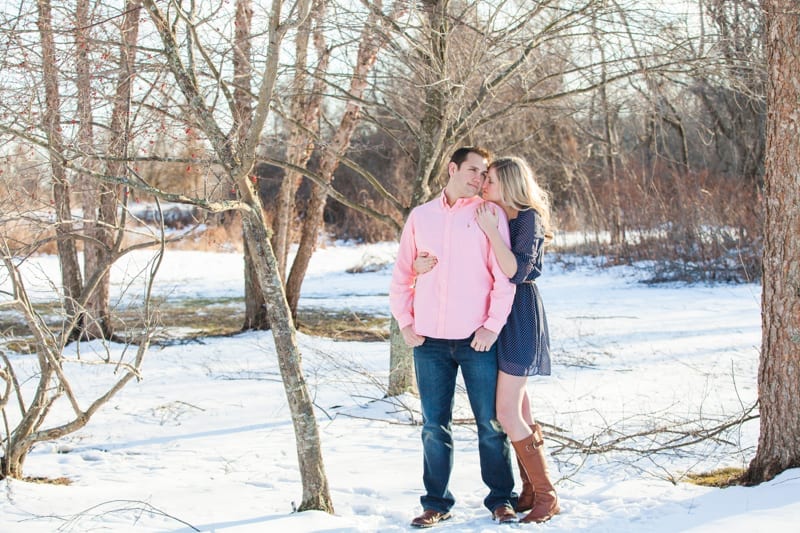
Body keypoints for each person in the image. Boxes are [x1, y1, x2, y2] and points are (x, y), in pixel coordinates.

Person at [414, 156, 560, 524]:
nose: (483, 185)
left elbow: (515, 271)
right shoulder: (499, 215)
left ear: (508, 184)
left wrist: (493, 233)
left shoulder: (525, 218)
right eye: (481, 177)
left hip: (518, 319)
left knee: (505, 413)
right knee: (520, 411)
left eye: (490, 180)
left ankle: (546, 497)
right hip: (499, 319)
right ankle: (529, 490)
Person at [389, 146, 520, 527]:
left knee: (489, 424)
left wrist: (492, 326)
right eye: (473, 170)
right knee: (433, 426)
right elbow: (401, 275)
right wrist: (406, 323)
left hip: (476, 340)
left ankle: (501, 499)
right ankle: (436, 503)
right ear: (452, 168)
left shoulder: (489, 214)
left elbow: (503, 278)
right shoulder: (421, 216)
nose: (479, 179)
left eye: (484, 173)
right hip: (428, 343)